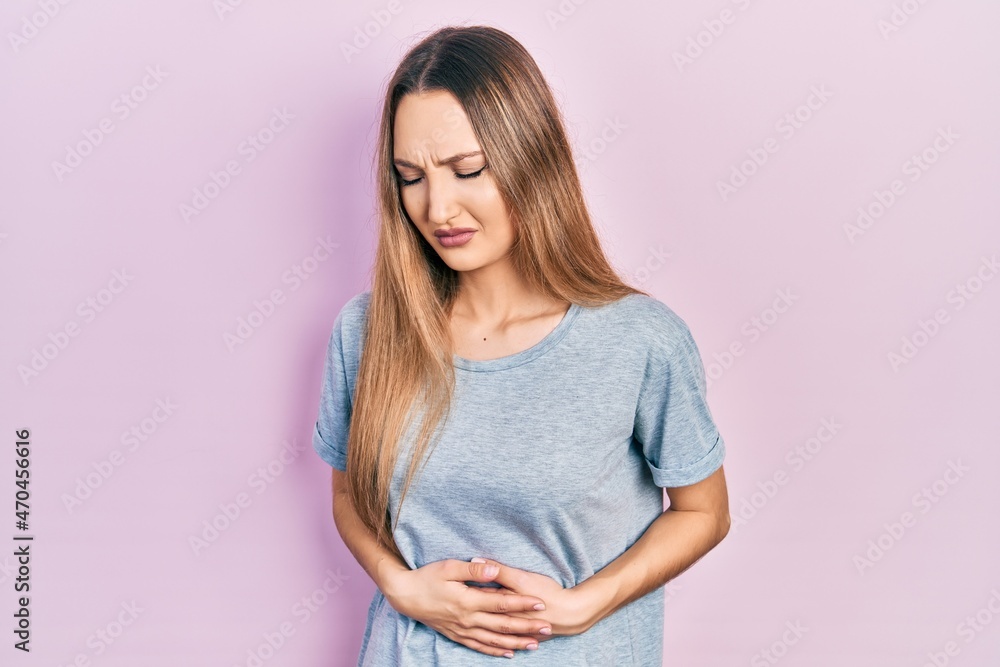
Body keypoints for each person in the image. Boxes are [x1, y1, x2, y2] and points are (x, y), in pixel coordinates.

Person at [311, 24, 730, 666]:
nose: (438, 207)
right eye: (410, 177)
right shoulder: (366, 332)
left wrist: (587, 601)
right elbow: (347, 496)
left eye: (467, 170)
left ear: (529, 157)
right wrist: (402, 587)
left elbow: (704, 512)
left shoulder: (637, 339)